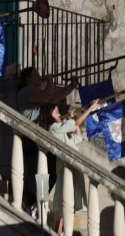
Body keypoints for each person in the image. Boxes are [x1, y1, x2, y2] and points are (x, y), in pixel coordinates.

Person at [40, 100, 100, 235]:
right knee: (64, 198)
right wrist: (90, 108)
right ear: (50, 115)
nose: (60, 113)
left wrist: (73, 120)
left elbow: (78, 138)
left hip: (73, 165)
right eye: (56, 112)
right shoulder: (54, 128)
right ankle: (58, 230)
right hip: (65, 165)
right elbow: (76, 123)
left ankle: (60, 230)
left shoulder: (61, 128)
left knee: (69, 199)